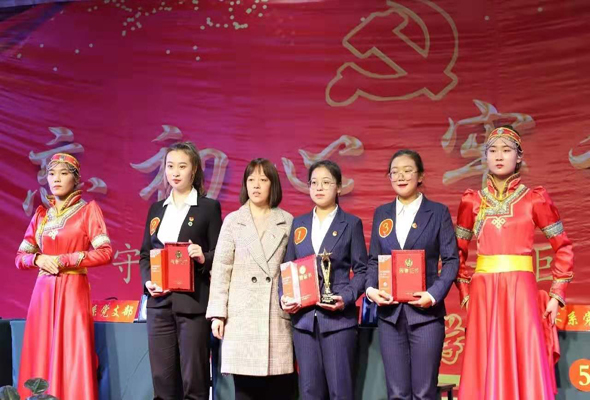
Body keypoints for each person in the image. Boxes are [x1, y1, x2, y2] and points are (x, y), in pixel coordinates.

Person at [455, 126, 574, 399]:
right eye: (493, 150)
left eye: (507, 150)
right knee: (485, 359)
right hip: (483, 292)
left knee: (524, 356)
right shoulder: (472, 201)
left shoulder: (534, 199)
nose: (499, 156)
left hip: (521, 292)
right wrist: (465, 292)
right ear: (485, 156)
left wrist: (556, 294)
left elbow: (563, 247)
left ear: (519, 157)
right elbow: (457, 251)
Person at [15, 153, 113, 399]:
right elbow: (20, 257)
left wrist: (64, 260)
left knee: (71, 350)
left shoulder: (88, 211)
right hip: (42, 294)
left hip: (72, 289)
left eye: (64, 173)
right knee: (41, 350)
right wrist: (37, 259)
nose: (56, 179)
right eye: (51, 174)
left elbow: (105, 252)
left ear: (76, 179)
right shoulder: (41, 216)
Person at [365, 149, 459, 400]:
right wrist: (371, 290)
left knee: (424, 392)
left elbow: (451, 261)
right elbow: (373, 260)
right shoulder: (382, 213)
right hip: (390, 316)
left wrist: (433, 294)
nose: (401, 176)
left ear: (420, 176)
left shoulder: (437, 212)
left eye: (407, 171)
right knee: (396, 393)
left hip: (426, 316)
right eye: (394, 172)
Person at [206, 158, 296, 400]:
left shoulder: (287, 221)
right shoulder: (233, 221)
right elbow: (221, 268)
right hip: (241, 318)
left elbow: (292, 268)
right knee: (245, 392)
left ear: (273, 185)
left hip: (274, 317)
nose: (256, 185)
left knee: (279, 391)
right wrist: (218, 314)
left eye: (263, 180)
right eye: (251, 179)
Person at [139, 141, 222, 400]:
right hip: (159, 304)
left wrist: (203, 256)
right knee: (162, 381)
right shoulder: (156, 209)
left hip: (193, 305)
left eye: (182, 166)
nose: (175, 172)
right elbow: (145, 254)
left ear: (194, 169)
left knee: (194, 381)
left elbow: (220, 255)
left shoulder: (208, 208)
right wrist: (148, 282)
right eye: (170, 166)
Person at [281, 160, 367, 400]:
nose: (319, 187)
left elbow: (362, 271)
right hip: (304, 322)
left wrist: (346, 297)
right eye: (314, 183)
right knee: (309, 392)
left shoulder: (351, 224)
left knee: (340, 391)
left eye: (326, 182)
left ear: (338, 187)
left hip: (338, 321)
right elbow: (287, 268)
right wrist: (284, 297)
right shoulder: (298, 224)